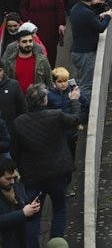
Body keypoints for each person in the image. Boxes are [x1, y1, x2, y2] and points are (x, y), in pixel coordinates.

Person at [11, 83, 81, 247]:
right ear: (44, 100)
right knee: (59, 208)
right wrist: (74, 100)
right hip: (57, 172)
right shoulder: (55, 115)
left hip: (33, 176)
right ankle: (56, 243)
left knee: (33, 213)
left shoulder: (19, 123)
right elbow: (76, 120)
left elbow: (15, 152)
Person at [68, 0, 112, 101]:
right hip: (85, 53)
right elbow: (100, 27)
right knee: (86, 85)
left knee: (80, 80)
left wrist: (99, 16)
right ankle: (83, 109)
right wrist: (108, 16)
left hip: (76, 51)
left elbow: (87, 22)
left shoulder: (75, 9)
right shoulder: (87, 13)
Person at [0, 156, 41, 247]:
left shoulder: (16, 186)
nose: (12, 182)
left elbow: (25, 205)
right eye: (8, 179)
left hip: (21, 238)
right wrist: (23, 213)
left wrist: (33, 209)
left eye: (14, 178)